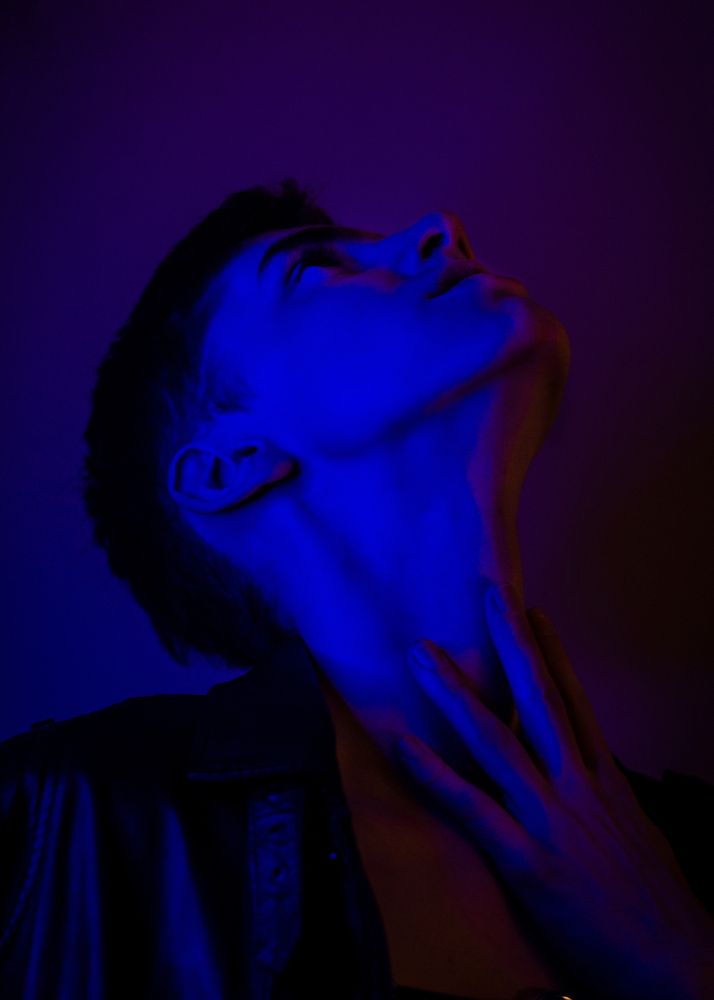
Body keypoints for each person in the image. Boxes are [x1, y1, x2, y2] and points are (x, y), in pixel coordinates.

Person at [1, 178, 712, 999]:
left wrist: (684, 964)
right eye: (310, 267)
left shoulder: (693, 852)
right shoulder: (60, 825)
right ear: (228, 463)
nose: (442, 227)